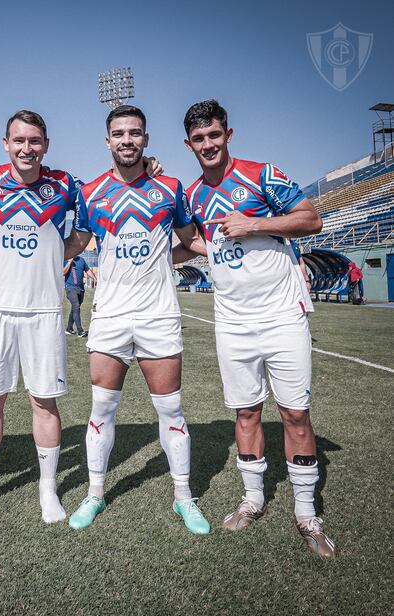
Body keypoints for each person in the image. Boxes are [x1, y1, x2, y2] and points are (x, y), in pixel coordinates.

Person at [0, 111, 161, 526]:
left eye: (35, 141)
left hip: (45, 312)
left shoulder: (66, 185)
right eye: (19, 141)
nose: (26, 148)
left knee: (43, 402)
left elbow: (109, 191)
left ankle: (48, 490)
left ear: (45, 144)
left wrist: (148, 170)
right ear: (5, 142)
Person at [180, 99, 335, 557]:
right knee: (246, 413)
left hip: (283, 315)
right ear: (189, 144)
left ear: (228, 134)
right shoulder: (191, 196)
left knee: (294, 413)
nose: (208, 144)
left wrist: (255, 224)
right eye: (199, 139)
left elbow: (312, 218)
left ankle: (307, 513)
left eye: (214, 135)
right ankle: (253, 499)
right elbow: (192, 239)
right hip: (232, 321)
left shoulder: (262, 174)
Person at [63, 105, 211, 534]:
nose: (126, 140)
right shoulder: (91, 193)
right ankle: (94, 494)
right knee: (101, 409)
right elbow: (78, 241)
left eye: (134, 133)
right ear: (107, 141)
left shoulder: (169, 187)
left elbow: (191, 242)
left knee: (171, 410)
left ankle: (184, 498)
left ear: (145, 140)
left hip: (158, 314)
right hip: (109, 315)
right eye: (119, 133)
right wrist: (36, 253)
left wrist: (244, 246)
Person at [63, 255, 96, 337]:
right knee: (76, 306)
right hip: (70, 287)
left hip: (80, 288)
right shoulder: (65, 259)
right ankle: (80, 331)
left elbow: (87, 270)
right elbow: (63, 272)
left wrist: (95, 278)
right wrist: (70, 262)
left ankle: (69, 329)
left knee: (75, 308)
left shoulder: (81, 260)